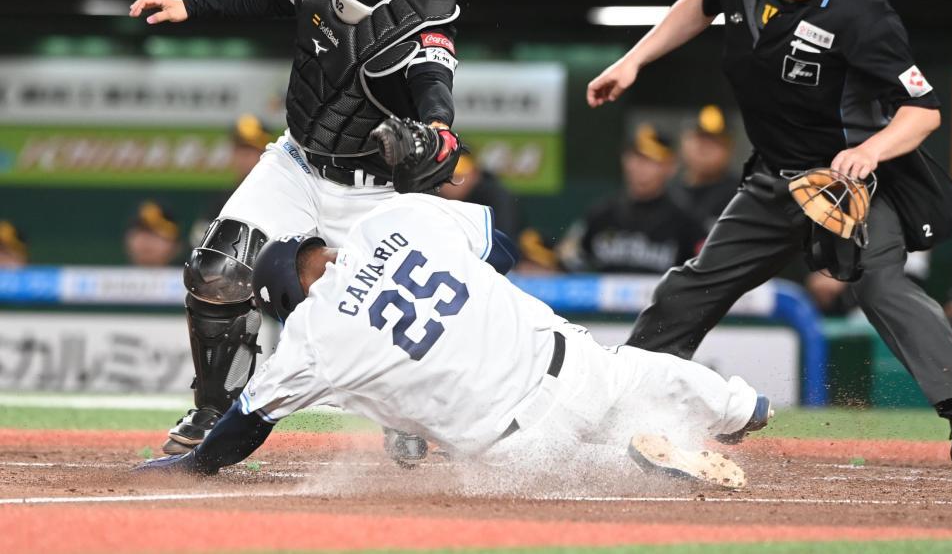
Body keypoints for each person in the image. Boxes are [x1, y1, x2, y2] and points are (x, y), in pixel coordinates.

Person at [586, 0, 952, 468]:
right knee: (690, 288)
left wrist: (871, 151)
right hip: (775, 181)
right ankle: (619, 405)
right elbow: (701, 1)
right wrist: (635, 58)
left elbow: (923, 111)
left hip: (853, 184)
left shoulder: (862, 14)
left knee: (881, 285)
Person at [129, 0, 466, 455]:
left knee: (382, 314)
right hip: (297, 161)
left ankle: (405, 412)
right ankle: (214, 411)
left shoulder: (427, 19)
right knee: (217, 270)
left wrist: (436, 134)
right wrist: (192, 5)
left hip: (374, 191)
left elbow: (435, 88)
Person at [136, 194, 772, 489]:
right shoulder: (393, 221)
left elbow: (244, 425)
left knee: (570, 470)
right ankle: (739, 408)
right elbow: (498, 248)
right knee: (636, 373)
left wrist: (192, 463)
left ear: (288, 301)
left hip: (512, 438)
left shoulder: (310, 338)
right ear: (316, 250)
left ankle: (640, 461)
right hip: (564, 359)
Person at [556, 123, 702, 274]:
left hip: (659, 296)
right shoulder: (601, 213)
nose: (641, 168)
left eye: (652, 162)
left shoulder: (685, 220)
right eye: (636, 159)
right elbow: (567, 258)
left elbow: (703, 274)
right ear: (625, 161)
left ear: (671, 167)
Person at [189, 114, 274, 247]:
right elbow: (199, 240)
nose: (245, 157)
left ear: (266, 153)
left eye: (252, 150)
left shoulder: (279, 196)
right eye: (240, 150)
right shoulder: (220, 201)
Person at [670, 104, 740, 233]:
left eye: (715, 141)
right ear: (683, 142)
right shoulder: (667, 193)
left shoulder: (743, 197)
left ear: (730, 149)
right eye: (699, 139)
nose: (705, 148)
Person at [438, 153, 522, 241]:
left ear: (475, 174)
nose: (449, 184)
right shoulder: (429, 195)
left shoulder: (495, 196)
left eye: (457, 176)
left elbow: (502, 242)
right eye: (444, 177)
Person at [124, 201, 183, 267]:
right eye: (142, 230)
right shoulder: (112, 274)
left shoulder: (188, 276)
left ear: (176, 245)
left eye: (157, 233)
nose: (147, 239)